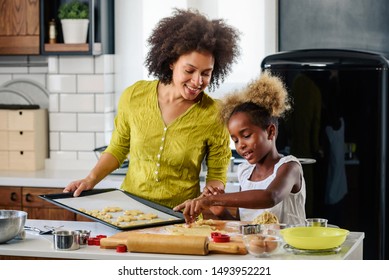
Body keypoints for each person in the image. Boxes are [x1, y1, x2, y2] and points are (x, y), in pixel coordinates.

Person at [63, 8, 241, 209]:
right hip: (131, 211)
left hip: (180, 219)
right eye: (189, 70)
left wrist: (210, 194)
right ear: (172, 62)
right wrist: (90, 180)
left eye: (206, 73)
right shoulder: (134, 95)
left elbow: (217, 174)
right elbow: (119, 147)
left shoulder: (214, 113)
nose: (198, 81)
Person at [174, 71, 306, 224]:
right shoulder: (244, 172)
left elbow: (270, 197)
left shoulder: (289, 167)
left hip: (288, 247)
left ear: (270, 131)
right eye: (235, 140)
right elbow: (243, 224)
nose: (240, 145)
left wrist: (214, 200)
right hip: (255, 248)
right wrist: (222, 211)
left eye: (246, 135)